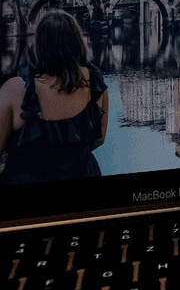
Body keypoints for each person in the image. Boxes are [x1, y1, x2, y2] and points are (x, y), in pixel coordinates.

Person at [0, 10, 109, 184]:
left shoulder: (14, 89)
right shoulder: (96, 84)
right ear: (77, 43)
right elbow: (99, 139)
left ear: (39, 44)